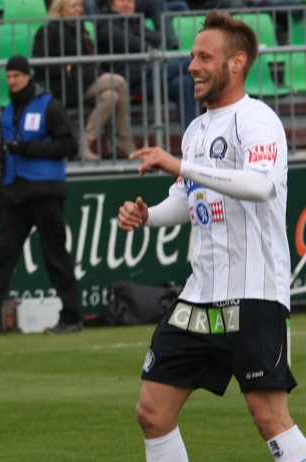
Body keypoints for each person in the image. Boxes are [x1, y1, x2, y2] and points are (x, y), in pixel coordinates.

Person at [117, 10, 306, 461]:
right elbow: (188, 198)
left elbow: (260, 185)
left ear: (237, 62)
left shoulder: (258, 120)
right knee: (152, 411)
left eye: (204, 57)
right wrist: (149, 216)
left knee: (269, 418)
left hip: (253, 294)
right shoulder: (197, 129)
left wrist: (180, 165)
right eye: (191, 56)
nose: (192, 66)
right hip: (199, 297)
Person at [0, 55, 82, 337]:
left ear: (27, 76)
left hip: (45, 191)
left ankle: (71, 316)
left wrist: (27, 148)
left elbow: (70, 145)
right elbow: (3, 159)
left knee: (55, 255)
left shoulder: (49, 105)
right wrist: (2, 193)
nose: (11, 81)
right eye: (8, 77)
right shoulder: (8, 111)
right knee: (3, 257)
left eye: (16, 76)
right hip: (16, 193)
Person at [33, 0, 135, 160]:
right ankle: (123, 138)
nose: (78, 9)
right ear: (60, 9)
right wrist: (62, 67)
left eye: (80, 5)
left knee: (111, 96)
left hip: (85, 80)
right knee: (119, 82)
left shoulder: (80, 28)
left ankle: (84, 143)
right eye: (73, 5)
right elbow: (37, 63)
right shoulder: (48, 30)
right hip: (64, 84)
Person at [96, 0, 196, 130]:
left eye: (130, 1)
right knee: (187, 62)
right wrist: (146, 43)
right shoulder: (104, 23)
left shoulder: (134, 21)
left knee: (184, 83)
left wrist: (143, 40)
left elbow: (161, 38)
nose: (127, 4)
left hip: (150, 73)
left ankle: (192, 139)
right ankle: (211, 93)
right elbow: (133, 44)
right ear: (111, 3)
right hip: (130, 81)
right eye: (122, 1)